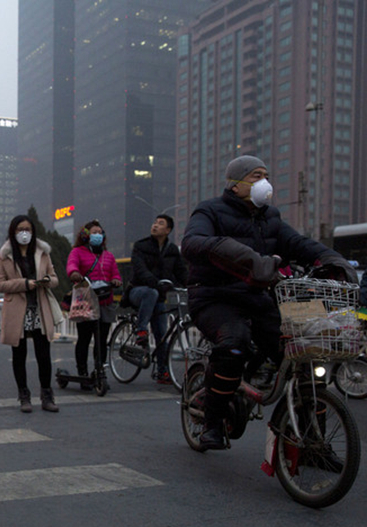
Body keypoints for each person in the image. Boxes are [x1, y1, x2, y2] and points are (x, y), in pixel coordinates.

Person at [182, 155, 356, 450]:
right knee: (233, 343)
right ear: (234, 185)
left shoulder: (270, 218)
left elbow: (298, 244)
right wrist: (247, 259)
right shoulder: (209, 210)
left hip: (257, 297)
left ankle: (314, 443)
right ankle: (212, 423)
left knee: (304, 349)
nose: (264, 182)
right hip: (213, 297)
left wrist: (332, 261)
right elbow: (193, 243)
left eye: (266, 175)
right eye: (255, 176)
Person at [0, 215, 60, 413]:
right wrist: (24, 284)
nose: (25, 233)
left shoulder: (42, 253)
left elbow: (55, 278)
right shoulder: (4, 255)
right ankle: (24, 396)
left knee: (44, 353)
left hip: (39, 308)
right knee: (19, 354)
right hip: (17, 310)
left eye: (28, 229)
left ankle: (47, 395)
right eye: (20, 229)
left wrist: (47, 280)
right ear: (13, 232)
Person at [126, 214, 188, 383]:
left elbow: (181, 272)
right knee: (151, 292)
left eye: (160, 224)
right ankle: (141, 328)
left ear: (168, 230)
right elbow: (139, 270)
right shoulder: (141, 246)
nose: (155, 225)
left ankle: (163, 372)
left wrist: (193, 285)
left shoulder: (172, 250)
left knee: (162, 336)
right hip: (138, 292)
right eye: (155, 222)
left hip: (158, 297)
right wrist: (156, 283)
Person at [67, 220, 121, 390]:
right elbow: (71, 265)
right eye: (94, 232)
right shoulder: (77, 252)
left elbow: (116, 274)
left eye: (100, 232)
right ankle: (82, 372)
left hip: (105, 301)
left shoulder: (109, 256)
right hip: (86, 301)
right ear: (86, 235)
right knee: (84, 338)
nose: (97, 235)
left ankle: (100, 371)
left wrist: (116, 281)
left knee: (101, 339)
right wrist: (74, 273)